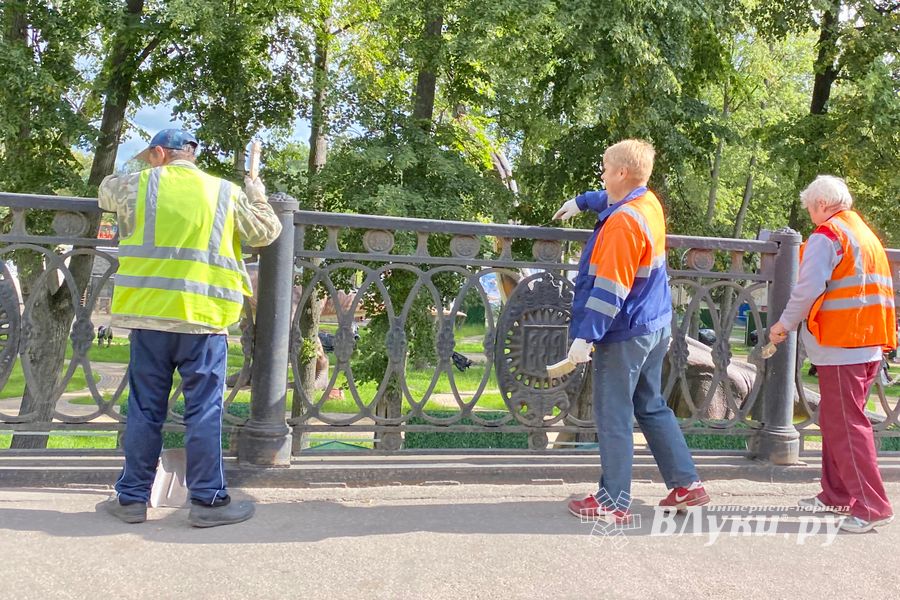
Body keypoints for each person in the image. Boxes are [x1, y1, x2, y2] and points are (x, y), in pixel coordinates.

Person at [95, 129, 282, 527]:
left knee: (145, 409)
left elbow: (104, 191)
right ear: (193, 155)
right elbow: (266, 232)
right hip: (204, 318)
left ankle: (131, 499)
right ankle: (208, 502)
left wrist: (138, 163)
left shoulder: (137, 184)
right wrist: (257, 190)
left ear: (160, 153)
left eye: (150, 155)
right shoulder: (225, 193)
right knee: (205, 412)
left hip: (148, 317)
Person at [553, 139, 708, 523]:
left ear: (621, 172)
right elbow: (612, 199)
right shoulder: (646, 204)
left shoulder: (623, 223)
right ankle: (686, 485)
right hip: (653, 324)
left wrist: (585, 337)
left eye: (605, 169)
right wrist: (585, 200)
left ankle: (612, 501)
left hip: (624, 331)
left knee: (614, 414)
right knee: (651, 405)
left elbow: (610, 290)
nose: (602, 175)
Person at [769, 175, 896, 533]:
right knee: (835, 419)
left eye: (810, 208)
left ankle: (872, 507)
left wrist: (782, 325)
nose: (811, 216)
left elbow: (808, 288)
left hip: (843, 344)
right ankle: (836, 494)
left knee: (846, 426)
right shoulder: (864, 234)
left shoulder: (829, 235)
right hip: (867, 342)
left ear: (822, 204)